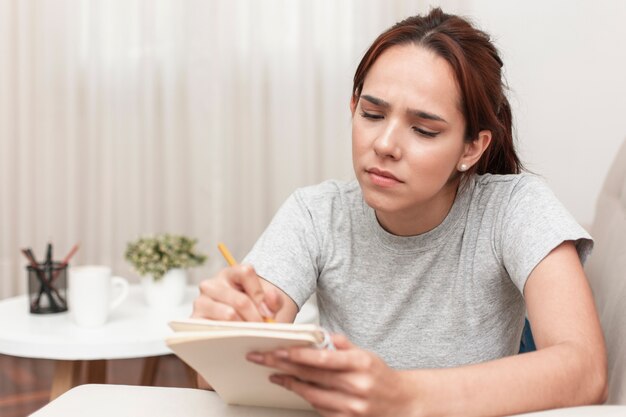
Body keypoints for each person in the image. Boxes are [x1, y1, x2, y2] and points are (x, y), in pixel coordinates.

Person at [192, 7, 607, 416]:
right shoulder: (315, 214)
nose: (385, 144)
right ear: (352, 106)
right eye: (371, 114)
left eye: (424, 130)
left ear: (471, 147)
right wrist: (222, 333)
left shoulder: (515, 208)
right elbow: (218, 381)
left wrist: (403, 395)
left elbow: (585, 371)